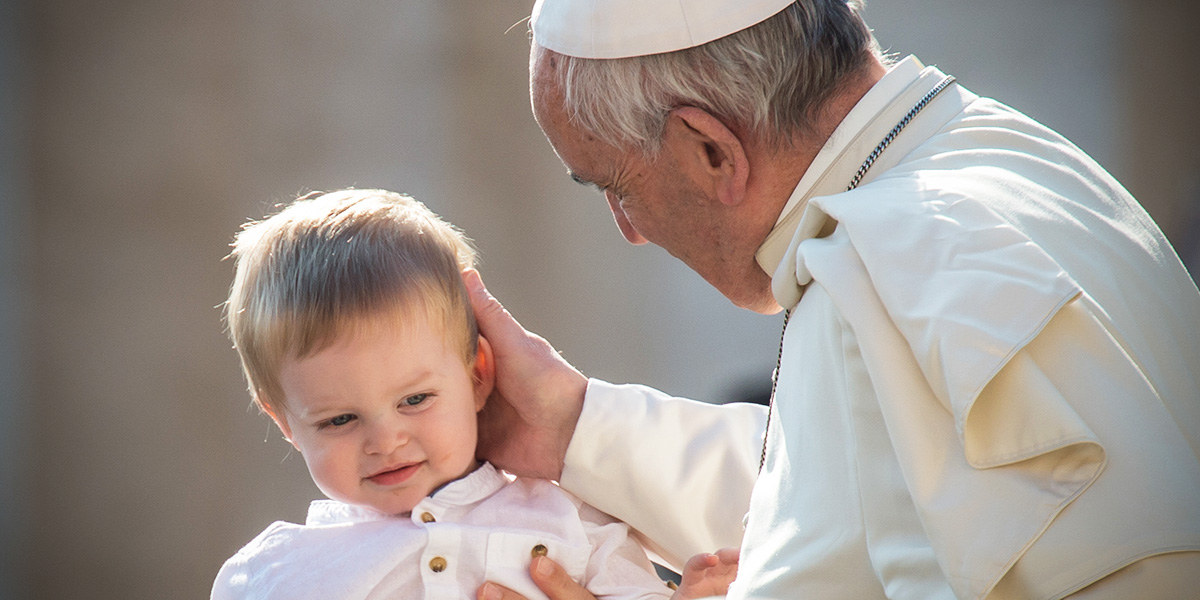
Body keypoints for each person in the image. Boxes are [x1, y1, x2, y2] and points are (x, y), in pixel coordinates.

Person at [468, 0, 1200, 598]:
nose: (626, 230)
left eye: (614, 186)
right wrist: (574, 430)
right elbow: (851, 503)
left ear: (711, 150)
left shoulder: (878, 265)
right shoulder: (1011, 154)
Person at [211, 189, 738, 600]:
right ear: (285, 423)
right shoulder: (273, 573)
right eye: (339, 420)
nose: (386, 440)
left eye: (414, 400)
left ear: (478, 375)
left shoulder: (570, 519)